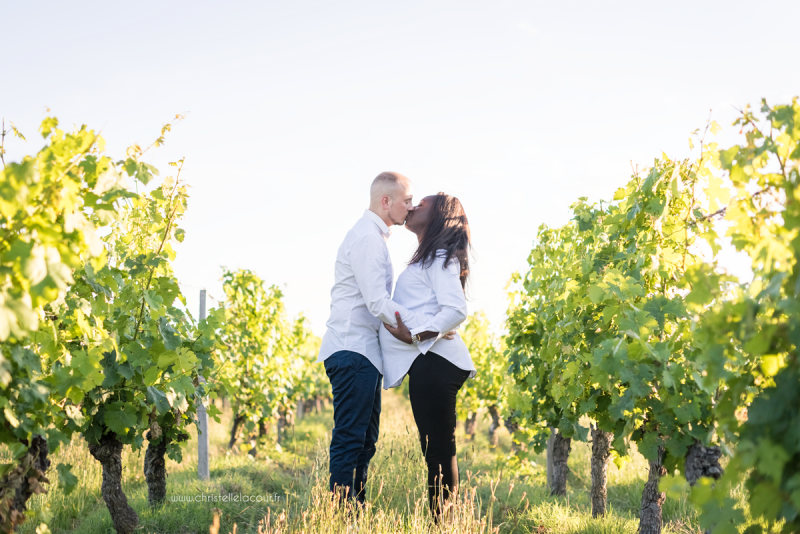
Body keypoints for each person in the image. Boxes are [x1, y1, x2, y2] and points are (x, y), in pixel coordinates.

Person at [317, 172, 452, 503]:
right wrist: (426, 327)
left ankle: (354, 508)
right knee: (352, 437)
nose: (411, 207)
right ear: (386, 201)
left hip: (362, 353)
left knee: (366, 439)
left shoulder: (373, 237)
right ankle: (340, 513)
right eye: (407, 200)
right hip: (352, 350)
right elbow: (378, 302)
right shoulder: (367, 238)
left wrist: (430, 325)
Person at [381, 192, 476, 520]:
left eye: (420, 204)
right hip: (433, 363)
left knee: (437, 448)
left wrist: (418, 334)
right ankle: (445, 521)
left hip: (436, 362)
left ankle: (444, 523)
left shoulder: (438, 255)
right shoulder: (430, 256)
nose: (411, 207)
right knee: (435, 447)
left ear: (437, 216)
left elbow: (455, 309)